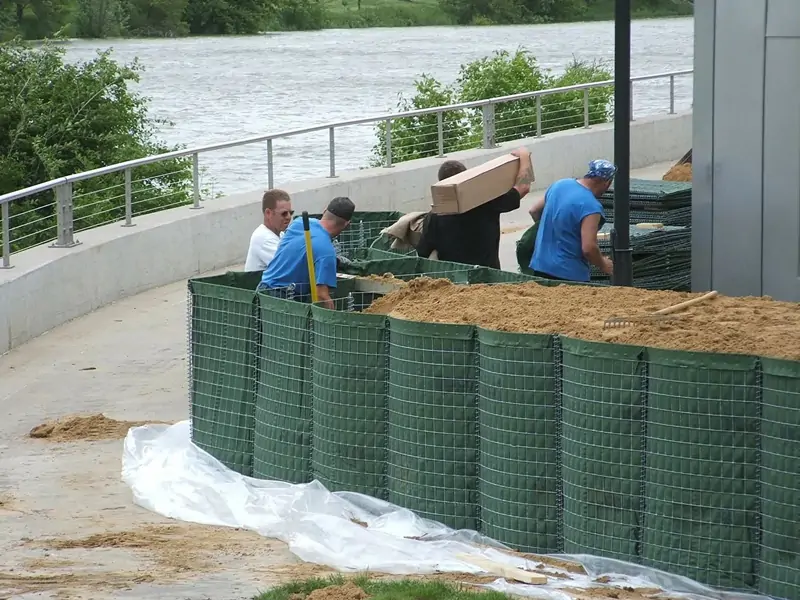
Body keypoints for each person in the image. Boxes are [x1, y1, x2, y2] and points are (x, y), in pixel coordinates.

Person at [416, 147, 533, 269]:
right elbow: (523, 187)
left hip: (456, 280)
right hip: (489, 277)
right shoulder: (488, 201)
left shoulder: (434, 216)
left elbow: (422, 253)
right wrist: (524, 156)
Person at [259, 197, 355, 309]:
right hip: (282, 301)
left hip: (263, 290)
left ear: (324, 211)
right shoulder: (327, 253)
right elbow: (321, 296)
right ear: (347, 225)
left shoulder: (299, 223)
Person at [528, 159, 616, 282]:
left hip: (541, 266)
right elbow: (589, 248)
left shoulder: (560, 185)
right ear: (607, 182)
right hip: (569, 274)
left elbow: (534, 210)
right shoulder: (591, 206)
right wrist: (604, 264)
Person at [244, 189, 294, 272]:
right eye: (284, 213)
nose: (289, 217)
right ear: (268, 213)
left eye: (291, 213)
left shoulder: (280, 234)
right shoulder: (264, 239)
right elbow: (288, 266)